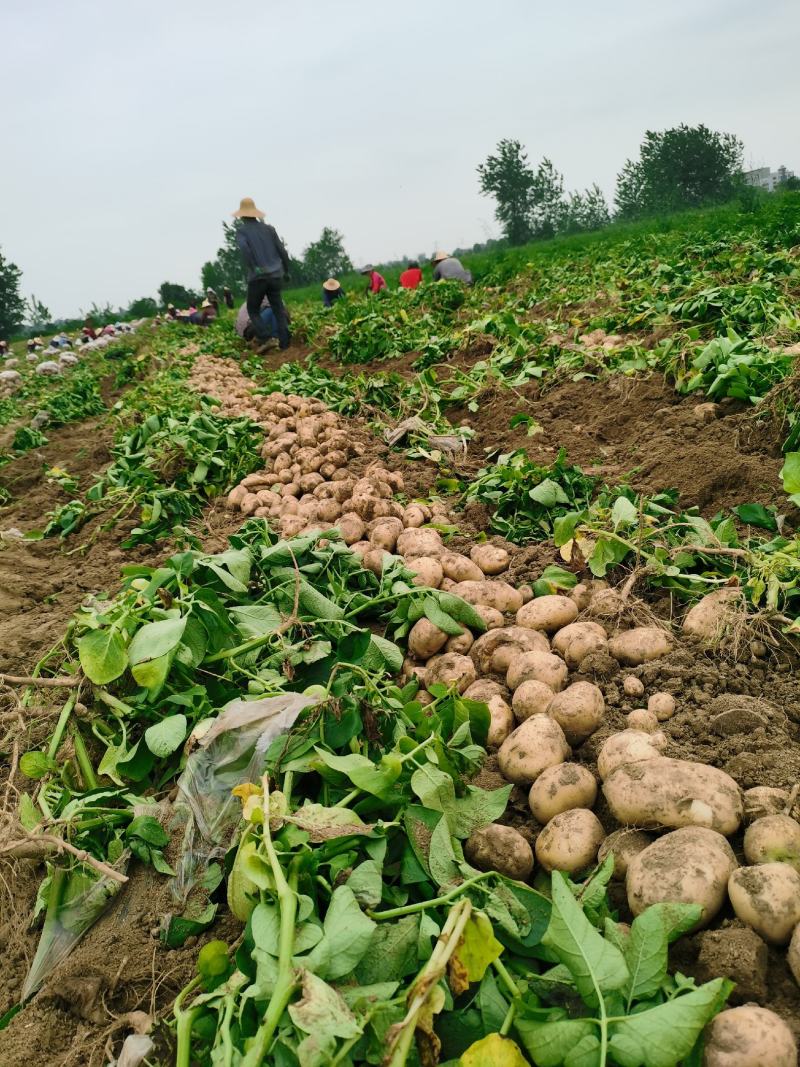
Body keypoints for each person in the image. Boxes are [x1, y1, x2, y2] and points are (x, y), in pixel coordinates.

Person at [232, 196, 291, 351]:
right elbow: (282, 250)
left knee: (252, 308)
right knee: (278, 308)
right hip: (276, 275)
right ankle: (285, 343)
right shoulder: (269, 229)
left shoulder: (242, 231)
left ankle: (266, 337)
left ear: (242, 216)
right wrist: (287, 270)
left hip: (258, 277)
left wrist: (254, 267)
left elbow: (245, 249)